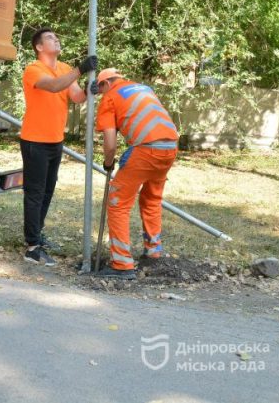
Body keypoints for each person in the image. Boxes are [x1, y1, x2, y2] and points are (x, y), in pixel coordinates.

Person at [19, 28, 97, 266]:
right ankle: (32, 247)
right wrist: (80, 70)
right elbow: (53, 86)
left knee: (47, 192)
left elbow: (76, 97)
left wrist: (90, 89)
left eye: (57, 36)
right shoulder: (34, 70)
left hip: (55, 140)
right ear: (39, 47)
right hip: (35, 140)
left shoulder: (64, 68)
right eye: (51, 38)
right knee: (34, 193)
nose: (57, 39)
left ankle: (37, 235)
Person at [94, 68, 178, 279]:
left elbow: (110, 143)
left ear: (106, 83)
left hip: (146, 148)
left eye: (100, 88)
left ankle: (121, 263)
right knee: (151, 199)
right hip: (170, 146)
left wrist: (108, 162)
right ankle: (153, 251)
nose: (101, 93)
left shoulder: (110, 96)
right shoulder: (143, 89)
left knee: (117, 201)